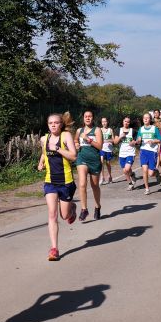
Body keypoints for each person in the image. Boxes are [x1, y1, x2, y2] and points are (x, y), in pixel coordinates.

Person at [38, 113, 78, 261]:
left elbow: (74, 156)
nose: (53, 125)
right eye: (50, 123)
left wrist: (58, 149)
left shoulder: (66, 136)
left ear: (61, 124)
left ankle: (72, 207)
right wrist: (41, 162)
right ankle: (54, 248)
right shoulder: (44, 139)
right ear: (47, 125)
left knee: (65, 215)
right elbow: (44, 151)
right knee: (52, 214)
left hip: (66, 181)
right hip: (50, 181)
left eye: (56, 123)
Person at [74, 110, 103, 221]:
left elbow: (100, 146)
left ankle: (97, 207)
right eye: (85, 116)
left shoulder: (97, 130)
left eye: (90, 116)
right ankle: (84, 209)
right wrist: (76, 144)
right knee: (82, 184)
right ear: (83, 118)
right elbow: (76, 140)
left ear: (93, 118)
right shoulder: (79, 130)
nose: (87, 118)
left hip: (95, 160)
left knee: (95, 186)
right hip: (82, 159)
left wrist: (88, 139)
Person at [135, 113, 161, 195]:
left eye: (147, 118)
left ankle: (156, 173)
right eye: (144, 118)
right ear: (143, 119)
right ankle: (147, 188)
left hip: (152, 152)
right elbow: (139, 139)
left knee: (151, 173)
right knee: (144, 170)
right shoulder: (141, 129)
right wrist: (137, 141)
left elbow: (160, 139)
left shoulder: (154, 129)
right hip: (143, 151)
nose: (146, 119)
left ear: (150, 119)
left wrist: (153, 141)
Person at [114, 116, 137, 191]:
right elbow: (115, 142)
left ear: (129, 123)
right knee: (125, 170)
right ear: (123, 122)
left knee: (126, 169)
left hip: (130, 152)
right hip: (122, 153)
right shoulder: (118, 130)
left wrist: (134, 142)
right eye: (125, 121)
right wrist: (120, 136)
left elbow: (137, 141)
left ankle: (131, 182)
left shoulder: (132, 131)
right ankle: (131, 181)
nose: (126, 123)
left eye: (128, 122)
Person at [99, 117, 114, 185]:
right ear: (101, 123)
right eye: (102, 122)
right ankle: (102, 177)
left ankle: (110, 176)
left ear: (107, 122)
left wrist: (108, 141)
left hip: (109, 149)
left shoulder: (110, 130)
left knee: (108, 163)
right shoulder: (99, 130)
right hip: (102, 148)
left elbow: (113, 140)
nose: (104, 123)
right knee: (101, 162)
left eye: (105, 121)